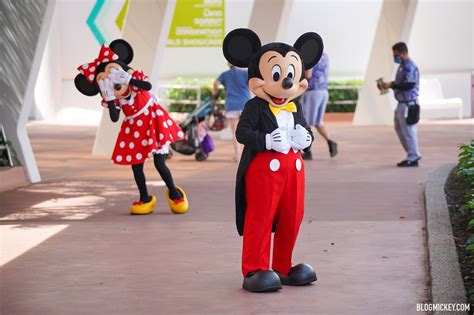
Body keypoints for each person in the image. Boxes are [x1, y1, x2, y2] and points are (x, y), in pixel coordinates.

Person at [380, 42, 421, 167]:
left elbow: (410, 84)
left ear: (403, 52)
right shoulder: (402, 66)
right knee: (400, 129)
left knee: (408, 131)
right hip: (401, 103)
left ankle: (414, 156)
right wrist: (388, 85)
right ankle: (411, 154)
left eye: (396, 55)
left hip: (408, 104)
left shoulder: (410, 66)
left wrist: (392, 85)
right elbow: (400, 82)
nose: (395, 58)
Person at [301, 52, 337, 160]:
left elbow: (308, 75)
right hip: (323, 91)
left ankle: (307, 151)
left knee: (305, 122)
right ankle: (331, 142)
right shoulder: (325, 55)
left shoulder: (311, 55)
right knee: (317, 122)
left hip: (313, 92)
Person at [212, 63, 250, 162]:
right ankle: (245, 155)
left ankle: (237, 155)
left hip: (231, 105)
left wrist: (215, 94)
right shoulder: (245, 73)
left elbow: (215, 83)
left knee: (234, 132)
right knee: (247, 130)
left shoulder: (225, 74)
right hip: (245, 105)